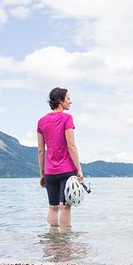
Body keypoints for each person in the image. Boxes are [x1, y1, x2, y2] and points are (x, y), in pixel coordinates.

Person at [37, 87, 84, 226]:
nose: (70, 102)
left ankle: (52, 243)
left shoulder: (41, 121)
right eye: (68, 99)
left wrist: (42, 174)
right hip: (67, 171)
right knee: (65, 206)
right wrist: (79, 170)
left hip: (50, 172)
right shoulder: (67, 118)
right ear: (60, 101)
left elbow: (41, 150)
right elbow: (71, 146)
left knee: (53, 207)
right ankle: (65, 244)